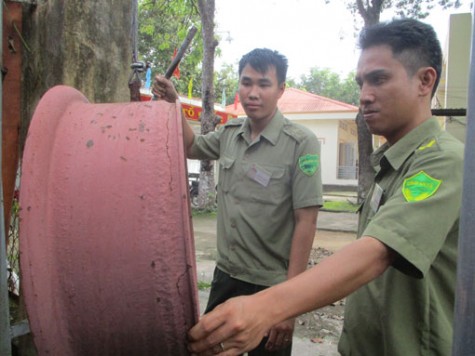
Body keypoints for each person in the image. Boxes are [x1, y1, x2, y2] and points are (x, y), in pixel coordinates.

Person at [186, 18, 464, 356]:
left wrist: (272, 307)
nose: (364, 96)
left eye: (378, 79)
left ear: (425, 81)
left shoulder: (444, 162)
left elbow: (376, 252)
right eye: (360, 82)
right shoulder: (391, 165)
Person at [153, 48, 323, 355]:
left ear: (280, 89)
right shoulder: (230, 133)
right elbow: (191, 146)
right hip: (227, 276)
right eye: (246, 83)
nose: (253, 93)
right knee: (204, 348)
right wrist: (173, 103)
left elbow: (306, 222)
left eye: (263, 84)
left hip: (272, 286)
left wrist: (290, 304)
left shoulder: (301, 143)